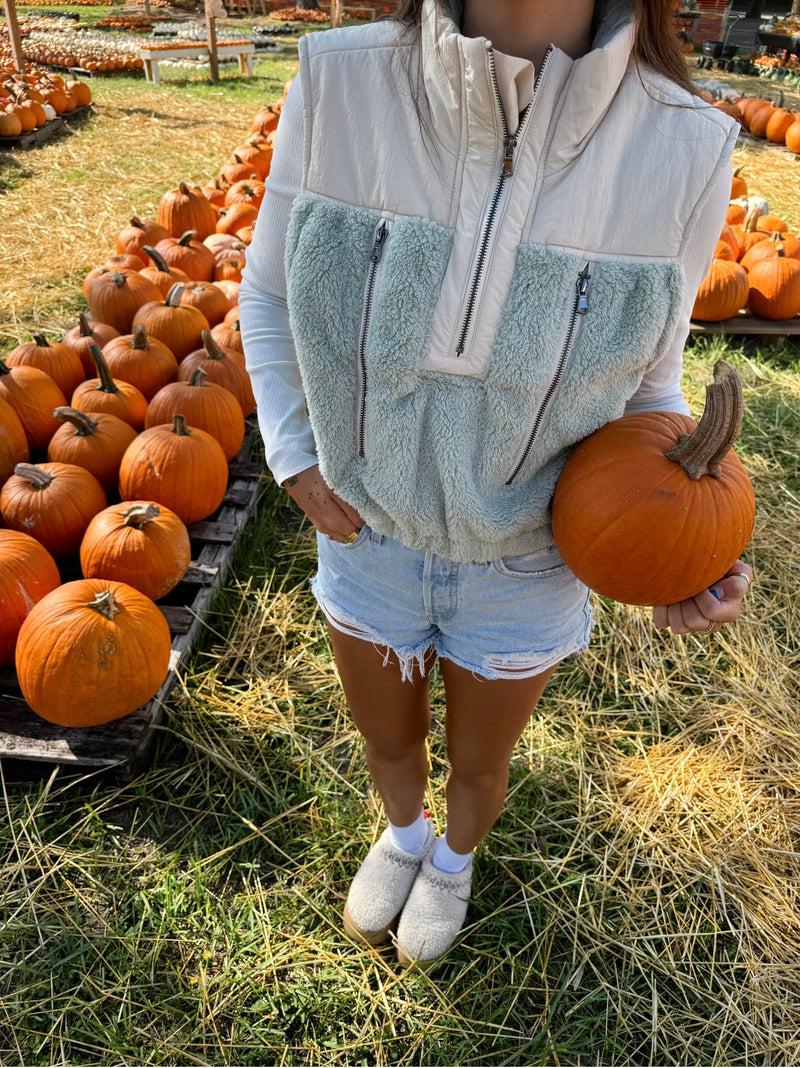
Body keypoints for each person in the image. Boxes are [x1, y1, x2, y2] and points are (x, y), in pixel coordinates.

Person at [238, 0, 753, 967]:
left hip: (529, 561)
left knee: (481, 763)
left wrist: (682, 536)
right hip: (365, 533)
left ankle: (454, 857)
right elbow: (267, 290)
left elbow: (650, 377)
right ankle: (401, 834)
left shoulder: (688, 143)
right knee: (388, 748)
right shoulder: (342, 79)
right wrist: (295, 456)